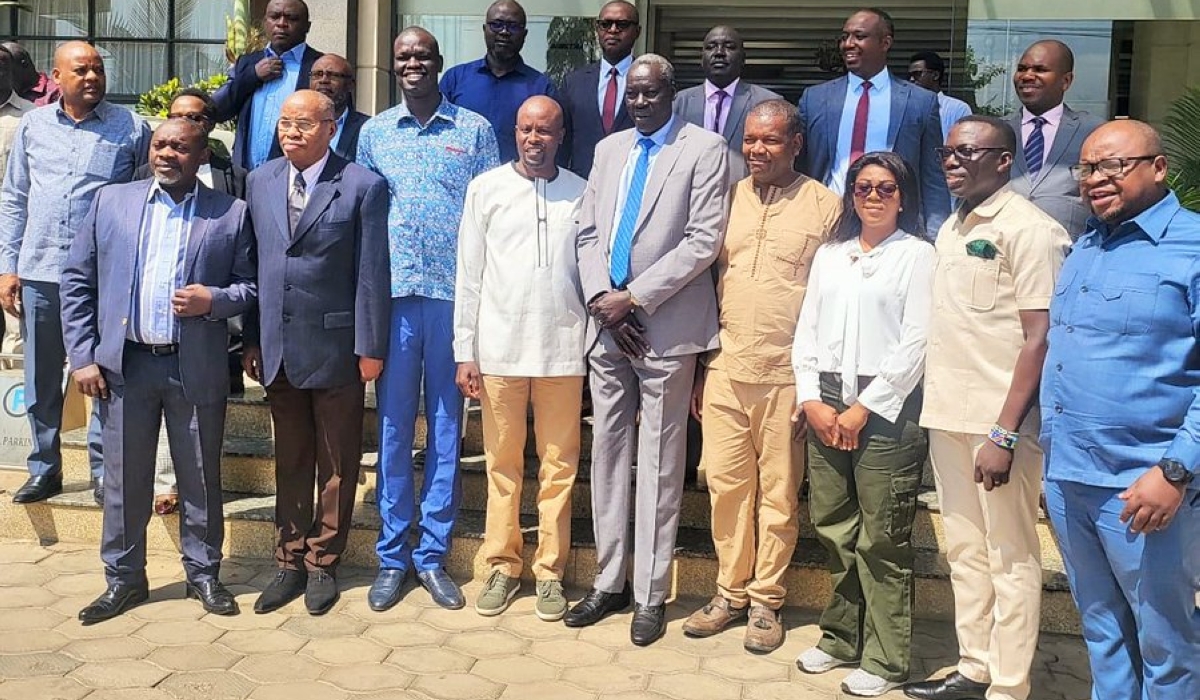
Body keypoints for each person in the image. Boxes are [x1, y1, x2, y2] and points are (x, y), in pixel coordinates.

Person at [60, 117, 256, 624]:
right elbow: (77, 281)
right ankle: (124, 580)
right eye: (160, 145)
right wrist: (82, 357)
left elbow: (251, 287)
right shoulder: (112, 202)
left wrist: (214, 299)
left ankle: (204, 573)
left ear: (201, 156)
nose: (167, 154)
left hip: (194, 366)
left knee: (200, 475)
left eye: (181, 148)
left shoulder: (230, 213)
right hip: (125, 367)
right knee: (125, 480)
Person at [904, 116, 1070, 700]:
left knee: (1011, 555)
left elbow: (1040, 338)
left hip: (999, 427)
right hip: (947, 413)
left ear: (1004, 160)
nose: (952, 160)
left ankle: (1008, 685)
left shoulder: (1030, 230)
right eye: (948, 151)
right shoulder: (953, 227)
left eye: (968, 151)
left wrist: (1004, 434)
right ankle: (973, 667)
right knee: (965, 551)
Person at [566, 54, 729, 646]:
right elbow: (587, 232)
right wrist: (601, 300)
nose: (638, 103)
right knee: (607, 454)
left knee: (660, 463)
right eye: (632, 94)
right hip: (607, 327)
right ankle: (609, 581)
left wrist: (633, 297)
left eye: (649, 94)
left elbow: (703, 240)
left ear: (671, 94)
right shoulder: (609, 150)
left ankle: (650, 593)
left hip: (665, 327)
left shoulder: (705, 149)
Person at [1041, 119, 1200, 700]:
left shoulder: (1193, 246)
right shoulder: (1086, 245)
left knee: (1167, 643)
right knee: (1102, 632)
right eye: (1086, 168)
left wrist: (1176, 470)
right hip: (1069, 480)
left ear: (1158, 168)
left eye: (1112, 165)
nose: (1095, 180)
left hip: (1145, 487)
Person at [681, 99, 838, 653]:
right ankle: (729, 593)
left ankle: (767, 600)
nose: (756, 150)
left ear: (796, 144)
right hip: (725, 368)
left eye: (769, 140)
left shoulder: (826, 207)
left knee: (778, 493)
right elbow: (706, 283)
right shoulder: (728, 199)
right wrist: (702, 368)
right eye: (749, 139)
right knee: (725, 486)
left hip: (787, 376)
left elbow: (835, 303)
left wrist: (816, 387)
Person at [356, 26, 500, 613]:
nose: (413, 62)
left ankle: (433, 555)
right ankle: (392, 556)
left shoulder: (474, 131)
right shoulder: (374, 133)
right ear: (393, 66)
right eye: (403, 55)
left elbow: (490, 214)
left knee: (446, 430)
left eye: (423, 55)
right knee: (392, 431)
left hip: (453, 301)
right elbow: (363, 220)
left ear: (439, 65)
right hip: (393, 301)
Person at [792, 151, 934, 696]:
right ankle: (839, 636)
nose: (873, 197)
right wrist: (811, 399)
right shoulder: (832, 254)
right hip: (826, 397)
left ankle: (885, 656)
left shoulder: (918, 256)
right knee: (832, 524)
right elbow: (807, 330)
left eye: (886, 188)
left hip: (887, 409)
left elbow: (917, 341)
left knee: (882, 537)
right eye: (863, 187)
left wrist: (864, 408)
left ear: (904, 196)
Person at [243, 90, 390, 616]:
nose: (291, 133)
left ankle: (323, 562)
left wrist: (371, 347)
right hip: (278, 347)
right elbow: (253, 265)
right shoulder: (259, 180)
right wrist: (252, 339)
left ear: (331, 127)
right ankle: (287, 560)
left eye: (303, 124)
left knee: (336, 462)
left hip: (337, 348)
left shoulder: (361, 186)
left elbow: (372, 271)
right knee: (291, 459)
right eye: (285, 123)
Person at [454, 96, 588, 622]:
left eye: (546, 131)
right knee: (502, 466)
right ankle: (502, 565)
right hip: (500, 351)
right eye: (527, 129)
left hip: (563, 351)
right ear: (515, 131)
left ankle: (550, 573)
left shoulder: (581, 192)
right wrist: (466, 350)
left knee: (559, 469)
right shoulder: (485, 190)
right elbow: (470, 274)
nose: (535, 139)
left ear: (561, 135)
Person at [0, 41, 150, 506]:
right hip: (41, 270)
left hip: (104, 277)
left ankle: (106, 473)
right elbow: (14, 198)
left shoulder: (131, 127)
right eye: (81, 70)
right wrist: (7, 267)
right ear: (57, 76)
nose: (91, 78)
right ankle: (45, 468)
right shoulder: (34, 125)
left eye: (98, 70)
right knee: (43, 378)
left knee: (103, 377)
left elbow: (145, 201)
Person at [798, 9, 950, 234]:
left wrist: (936, 235)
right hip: (826, 220)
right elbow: (800, 165)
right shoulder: (816, 98)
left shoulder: (920, 102)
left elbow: (933, 176)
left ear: (885, 42)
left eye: (859, 37)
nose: (848, 44)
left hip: (894, 226)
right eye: (844, 37)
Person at [1006, 40, 1103, 239]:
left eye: (1040, 69)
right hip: (1004, 250)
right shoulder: (998, 131)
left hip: (1070, 251)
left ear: (1066, 81)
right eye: (1022, 69)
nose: (1027, 76)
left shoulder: (1093, 131)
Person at [440, 0, 556, 164]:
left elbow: (554, 144)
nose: (504, 32)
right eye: (496, 25)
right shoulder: (455, 79)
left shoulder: (542, 87)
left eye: (513, 26)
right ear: (484, 30)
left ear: (524, 34)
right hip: (462, 182)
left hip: (518, 184)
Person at [213, 0, 322, 171]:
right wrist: (252, 76)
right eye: (275, 17)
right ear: (265, 22)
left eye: (292, 18)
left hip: (296, 177)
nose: (282, 23)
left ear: (307, 26)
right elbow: (217, 110)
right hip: (244, 177)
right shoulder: (247, 63)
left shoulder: (320, 66)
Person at [673, 25, 782, 183]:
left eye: (729, 47)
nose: (719, 53)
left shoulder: (769, 103)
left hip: (748, 199)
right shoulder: (677, 103)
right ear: (701, 58)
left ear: (743, 58)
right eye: (711, 47)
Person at [558, 1, 639, 178]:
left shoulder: (649, 81)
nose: (613, 30)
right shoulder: (573, 82)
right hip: (581, 185)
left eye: (622, 24)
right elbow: (563, 142)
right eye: (606, 24)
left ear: (637, 32)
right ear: (597, 29)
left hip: (632, 182)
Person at [0, 44, 33, 368]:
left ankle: (13, 404)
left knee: (16, 322)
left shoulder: (31, 117)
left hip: (14, 234)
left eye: (3, 66)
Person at [308, 54, 370, 162]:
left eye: (333, 75)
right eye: (317, 74)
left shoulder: (368, 128)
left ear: (350, 85)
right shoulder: (290, 125)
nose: (323, 80)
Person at [908, 51, 971, 139]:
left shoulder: (957, 109)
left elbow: (965, 143)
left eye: (917, 74)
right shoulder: (907, 108)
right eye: (910, 75)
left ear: (935, 75)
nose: (911, 79)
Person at [0, 42, 61, 107]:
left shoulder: (55, 92)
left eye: (7, 69)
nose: (4, 76)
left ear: (24, 64)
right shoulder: (8, 91)